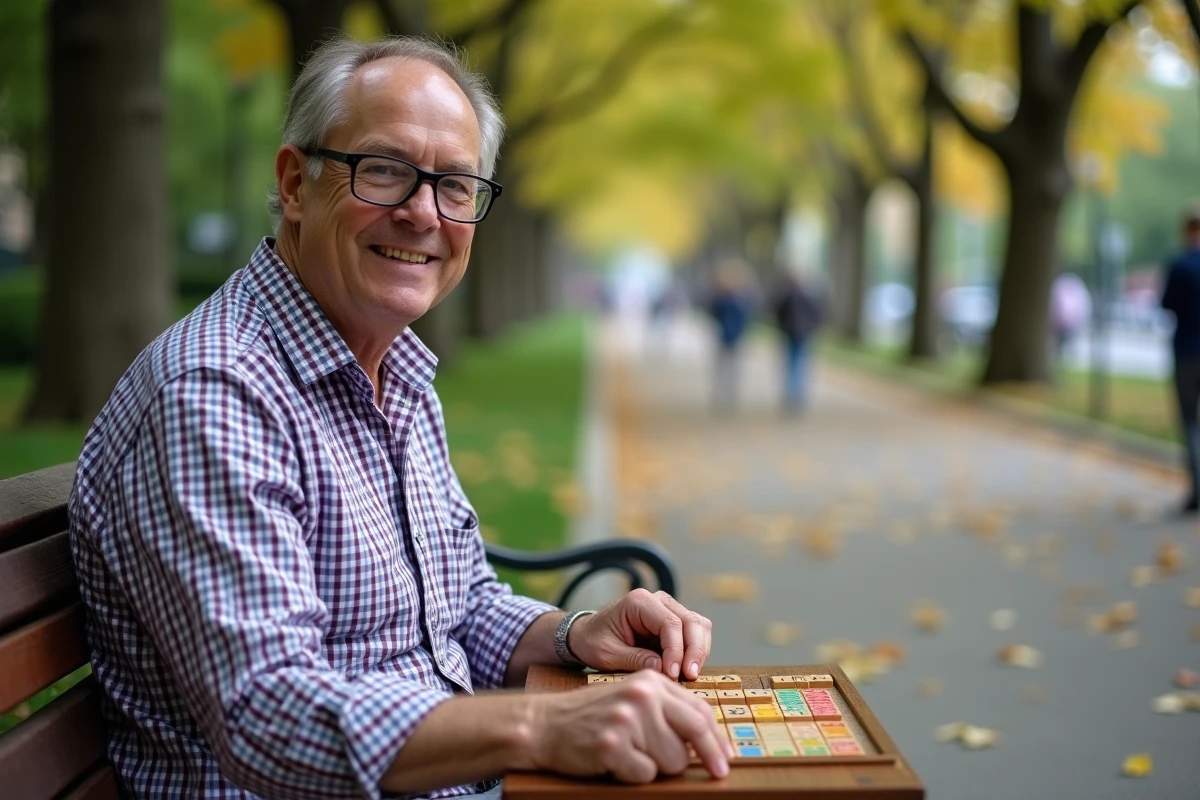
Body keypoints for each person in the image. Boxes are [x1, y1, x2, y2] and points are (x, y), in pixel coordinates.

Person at [67, 36, 731, 800]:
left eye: (455, 186)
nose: (423, 213)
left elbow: (460, 606)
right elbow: (270, 714)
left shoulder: (395, 368)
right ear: (294, 183)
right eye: (384, 171)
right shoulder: (219, 391)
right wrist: (543, 727)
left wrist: (578, 635)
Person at [1161, 204, 1200, 513]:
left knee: (1190, 423)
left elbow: (1167, 304)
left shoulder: (1180, 265)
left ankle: (1197, 489)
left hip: (1187, 352)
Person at [706, 258, 754, 412]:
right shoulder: (740, 299)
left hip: (726, 335)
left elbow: (712, 313)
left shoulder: (722, 298)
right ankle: (728, 395)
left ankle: (723, 394)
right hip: (733, 335)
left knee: (724, 366)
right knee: (731, 366)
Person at [772, 271, 823, 413]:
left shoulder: (786, 296)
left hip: (791, 333)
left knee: (792, 364)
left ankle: (793, 393)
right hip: (803, 334)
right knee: (800, 363)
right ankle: (798, 393)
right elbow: (818, 313)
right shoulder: (809, 296)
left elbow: (778, 312)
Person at [1049, 270, 1091, 363]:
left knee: (1066, 340)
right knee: (1063, 340)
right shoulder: (1070, 288)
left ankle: (1063, 355)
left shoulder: (1064, 287)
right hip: (1063, 322)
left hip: (1067, 322)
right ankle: (1061, 355)